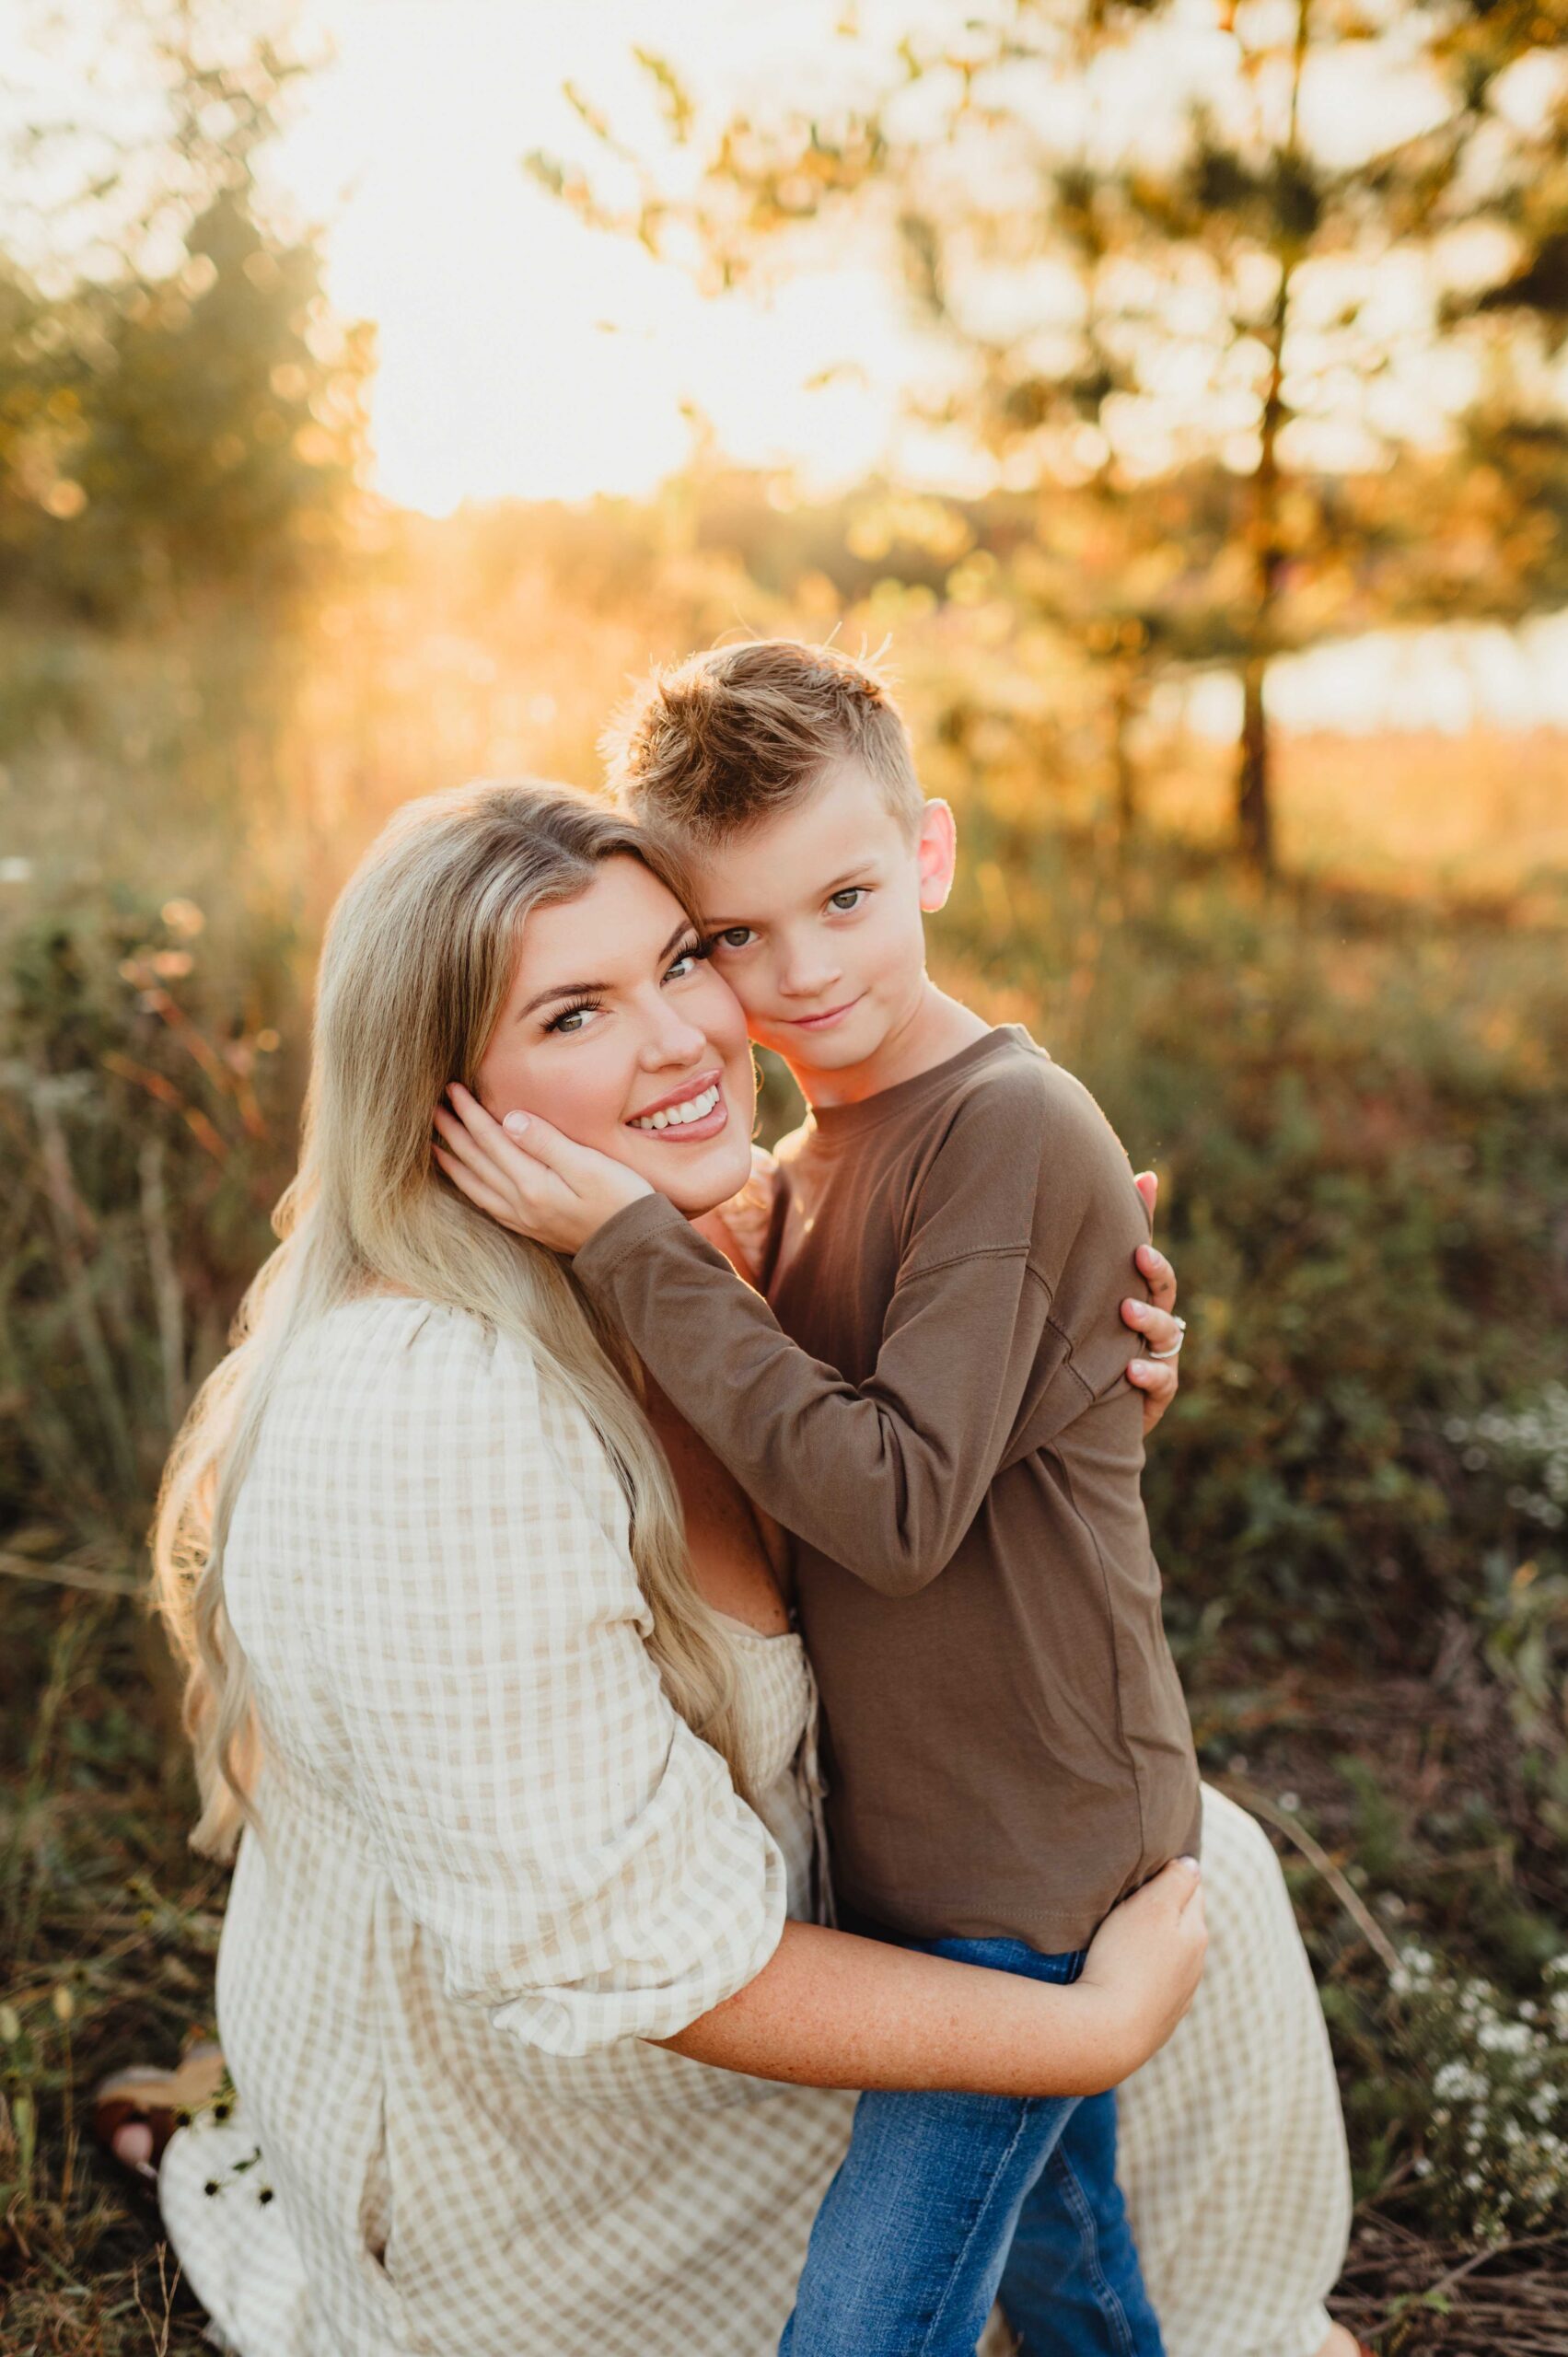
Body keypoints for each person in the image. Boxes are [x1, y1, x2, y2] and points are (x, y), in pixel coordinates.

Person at [114, 779, 1205, 2357]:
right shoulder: (428, 1401)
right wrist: (1080, 2028)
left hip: (806, 1962)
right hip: (550, 2156)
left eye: (683, 960)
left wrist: (1060, 1405)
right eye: (573, 1013)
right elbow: (633, 1955)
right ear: (438, 1095)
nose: (685, 1040)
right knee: (1161, 1924)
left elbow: (901, 1519)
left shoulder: (708, 1240)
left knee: (1191, 1865)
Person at [436, 639, 1358, 2357]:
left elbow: (899, 1508)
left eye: (847, 897)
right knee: (1070, 2272)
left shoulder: (1005, 1124)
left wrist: (630, 1247)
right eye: (735, 938)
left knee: (873, 2322)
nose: (801, 975)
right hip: (928, 1852)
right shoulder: (802, 1167)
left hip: (1036, 1849)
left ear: (928, 855)